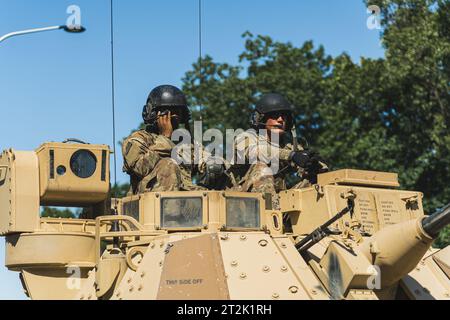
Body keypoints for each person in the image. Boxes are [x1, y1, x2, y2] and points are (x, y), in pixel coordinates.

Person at [122, 85, 228, 194]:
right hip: (152, 202)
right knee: (168, 164)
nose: (172, 118)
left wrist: (215, 165)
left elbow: (205, 158)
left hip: (187, 200)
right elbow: (140, 168)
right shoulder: (138, 140)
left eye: (177, 113)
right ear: (153, 113)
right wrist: (165, 138)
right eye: (166, 113)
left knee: (222, 172)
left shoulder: (184, 144)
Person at [232, 93, 328, 209]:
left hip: (277, 205)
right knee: (262, 169)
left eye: (284, 116)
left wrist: (314, 166)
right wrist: (291, 155)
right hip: (241, 205)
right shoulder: (245, 138)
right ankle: (269, 219)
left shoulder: (288, 145)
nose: (280, 120)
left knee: (315, 179)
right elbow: (257, 152)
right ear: (261, 118)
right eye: (275, 115)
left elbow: (311, 167)